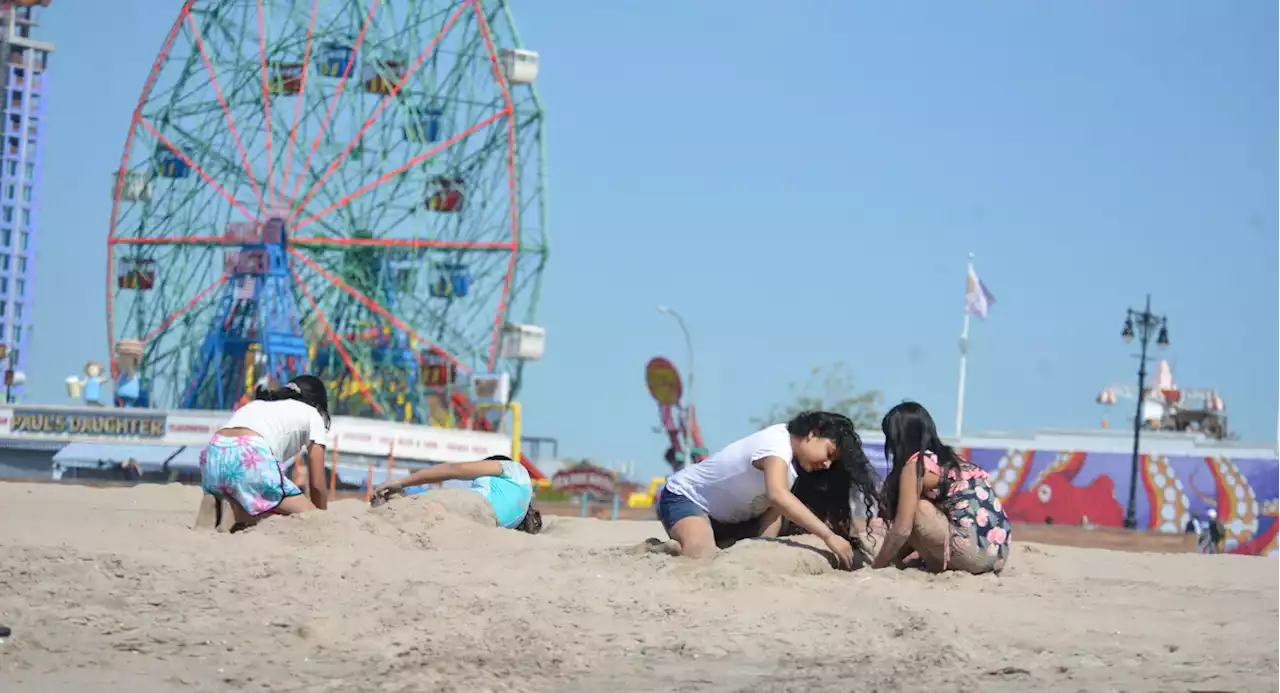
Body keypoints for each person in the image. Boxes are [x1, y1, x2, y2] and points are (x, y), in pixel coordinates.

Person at [655, 411, 883, 569]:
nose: (827, 464)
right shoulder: (777, 443)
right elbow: (777, 495)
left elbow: (775, 508)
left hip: (730, 519)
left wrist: (761, 549)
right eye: (829, 454)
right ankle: (666, 550)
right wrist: (828, 536)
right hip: (685, 497)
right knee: (700, 558)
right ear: (812, 434)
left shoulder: (797, 467)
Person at [870, 402, 1010, 574]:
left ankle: (936, 563)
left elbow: (903, 529)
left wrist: (877, 566)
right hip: (999, 554)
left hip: (970, 556)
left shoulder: (915, 466)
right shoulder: (951, 460)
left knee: (916, 507)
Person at [199, 375, 331, 529]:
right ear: (318, 405)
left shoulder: (257, 405)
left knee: (260, 496)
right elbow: (317, 484)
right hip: (250, 454)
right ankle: (239, 513)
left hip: (213, 454)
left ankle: (220, 505)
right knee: (306, 517)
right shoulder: (312, 414)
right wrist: (321, 517)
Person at [372, 455, 543, 534]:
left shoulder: (516, 469)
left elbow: (453, 470)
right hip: (479, 526)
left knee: (403, 509)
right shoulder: (519, 514)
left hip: (474, 505)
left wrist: (402, 481)